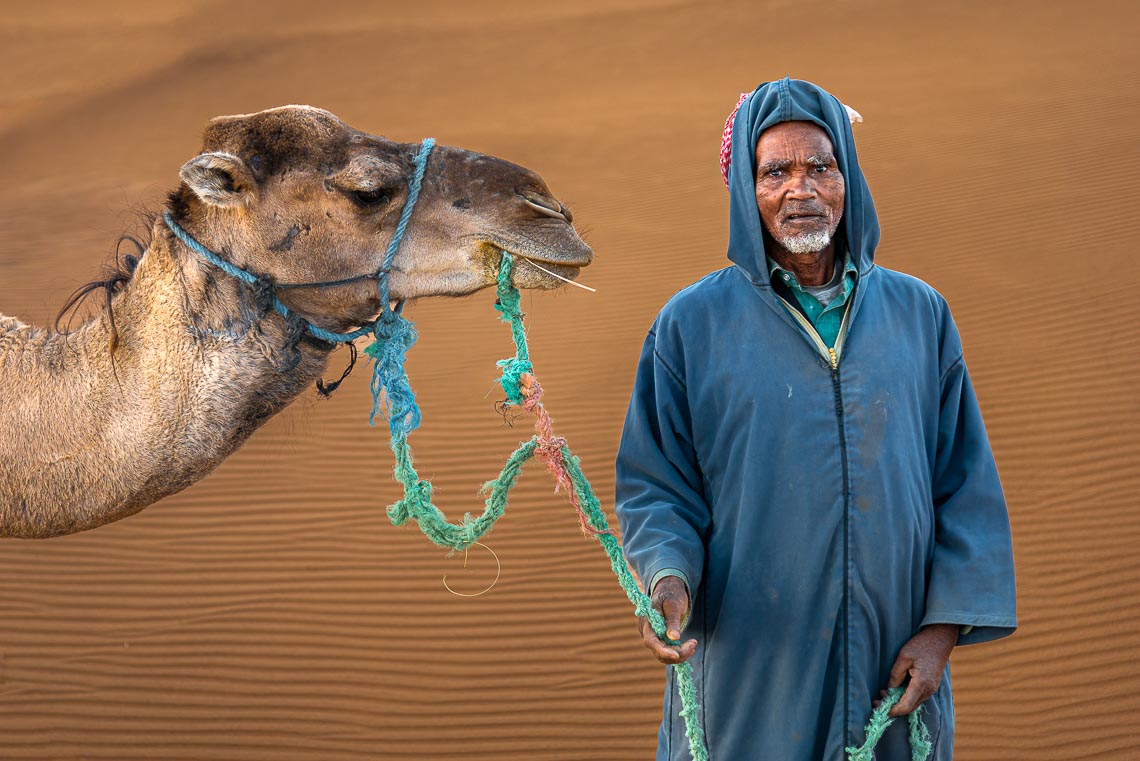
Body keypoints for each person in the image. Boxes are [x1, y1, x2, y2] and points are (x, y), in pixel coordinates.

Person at [614, 78, 1017, 760]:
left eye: (820, 168)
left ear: (848, 180)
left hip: (890, 667)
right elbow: (657, 484)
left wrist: (941, 631)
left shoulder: (920, 315)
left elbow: (963, 483)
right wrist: (668, 578)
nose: (800, 189)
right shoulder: (688, 326)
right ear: (747, 190)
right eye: (776, 171)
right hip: (753, 674)